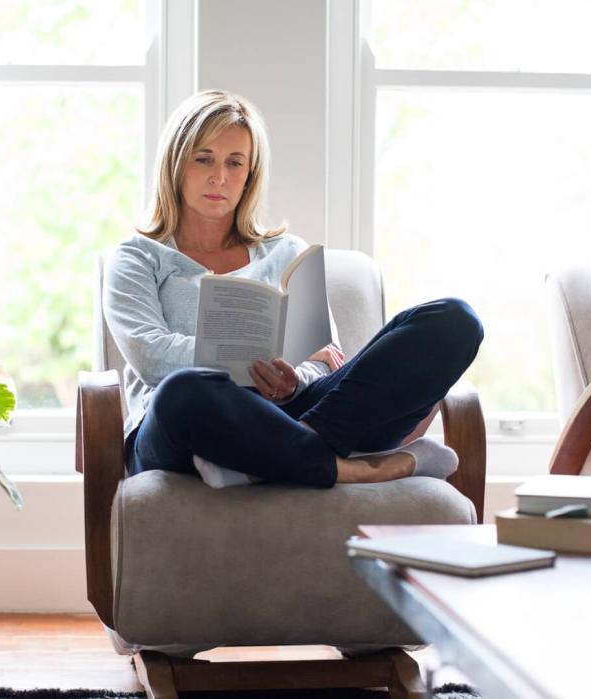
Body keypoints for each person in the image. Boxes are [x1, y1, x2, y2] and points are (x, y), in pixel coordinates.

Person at [103, 89, 483, 488]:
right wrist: (241, 359)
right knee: (182, 390)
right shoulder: (137, 257)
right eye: (204, 159)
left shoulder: (287, 251)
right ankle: (349, 467)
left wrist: (293, 381)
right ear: (176, 164)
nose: (220, 177)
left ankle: (277, 456)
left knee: (455, 320)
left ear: (250, 173)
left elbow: (323, 357)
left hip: (291, 412)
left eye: (235, 163)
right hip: (190, 425)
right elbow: (149, 357)